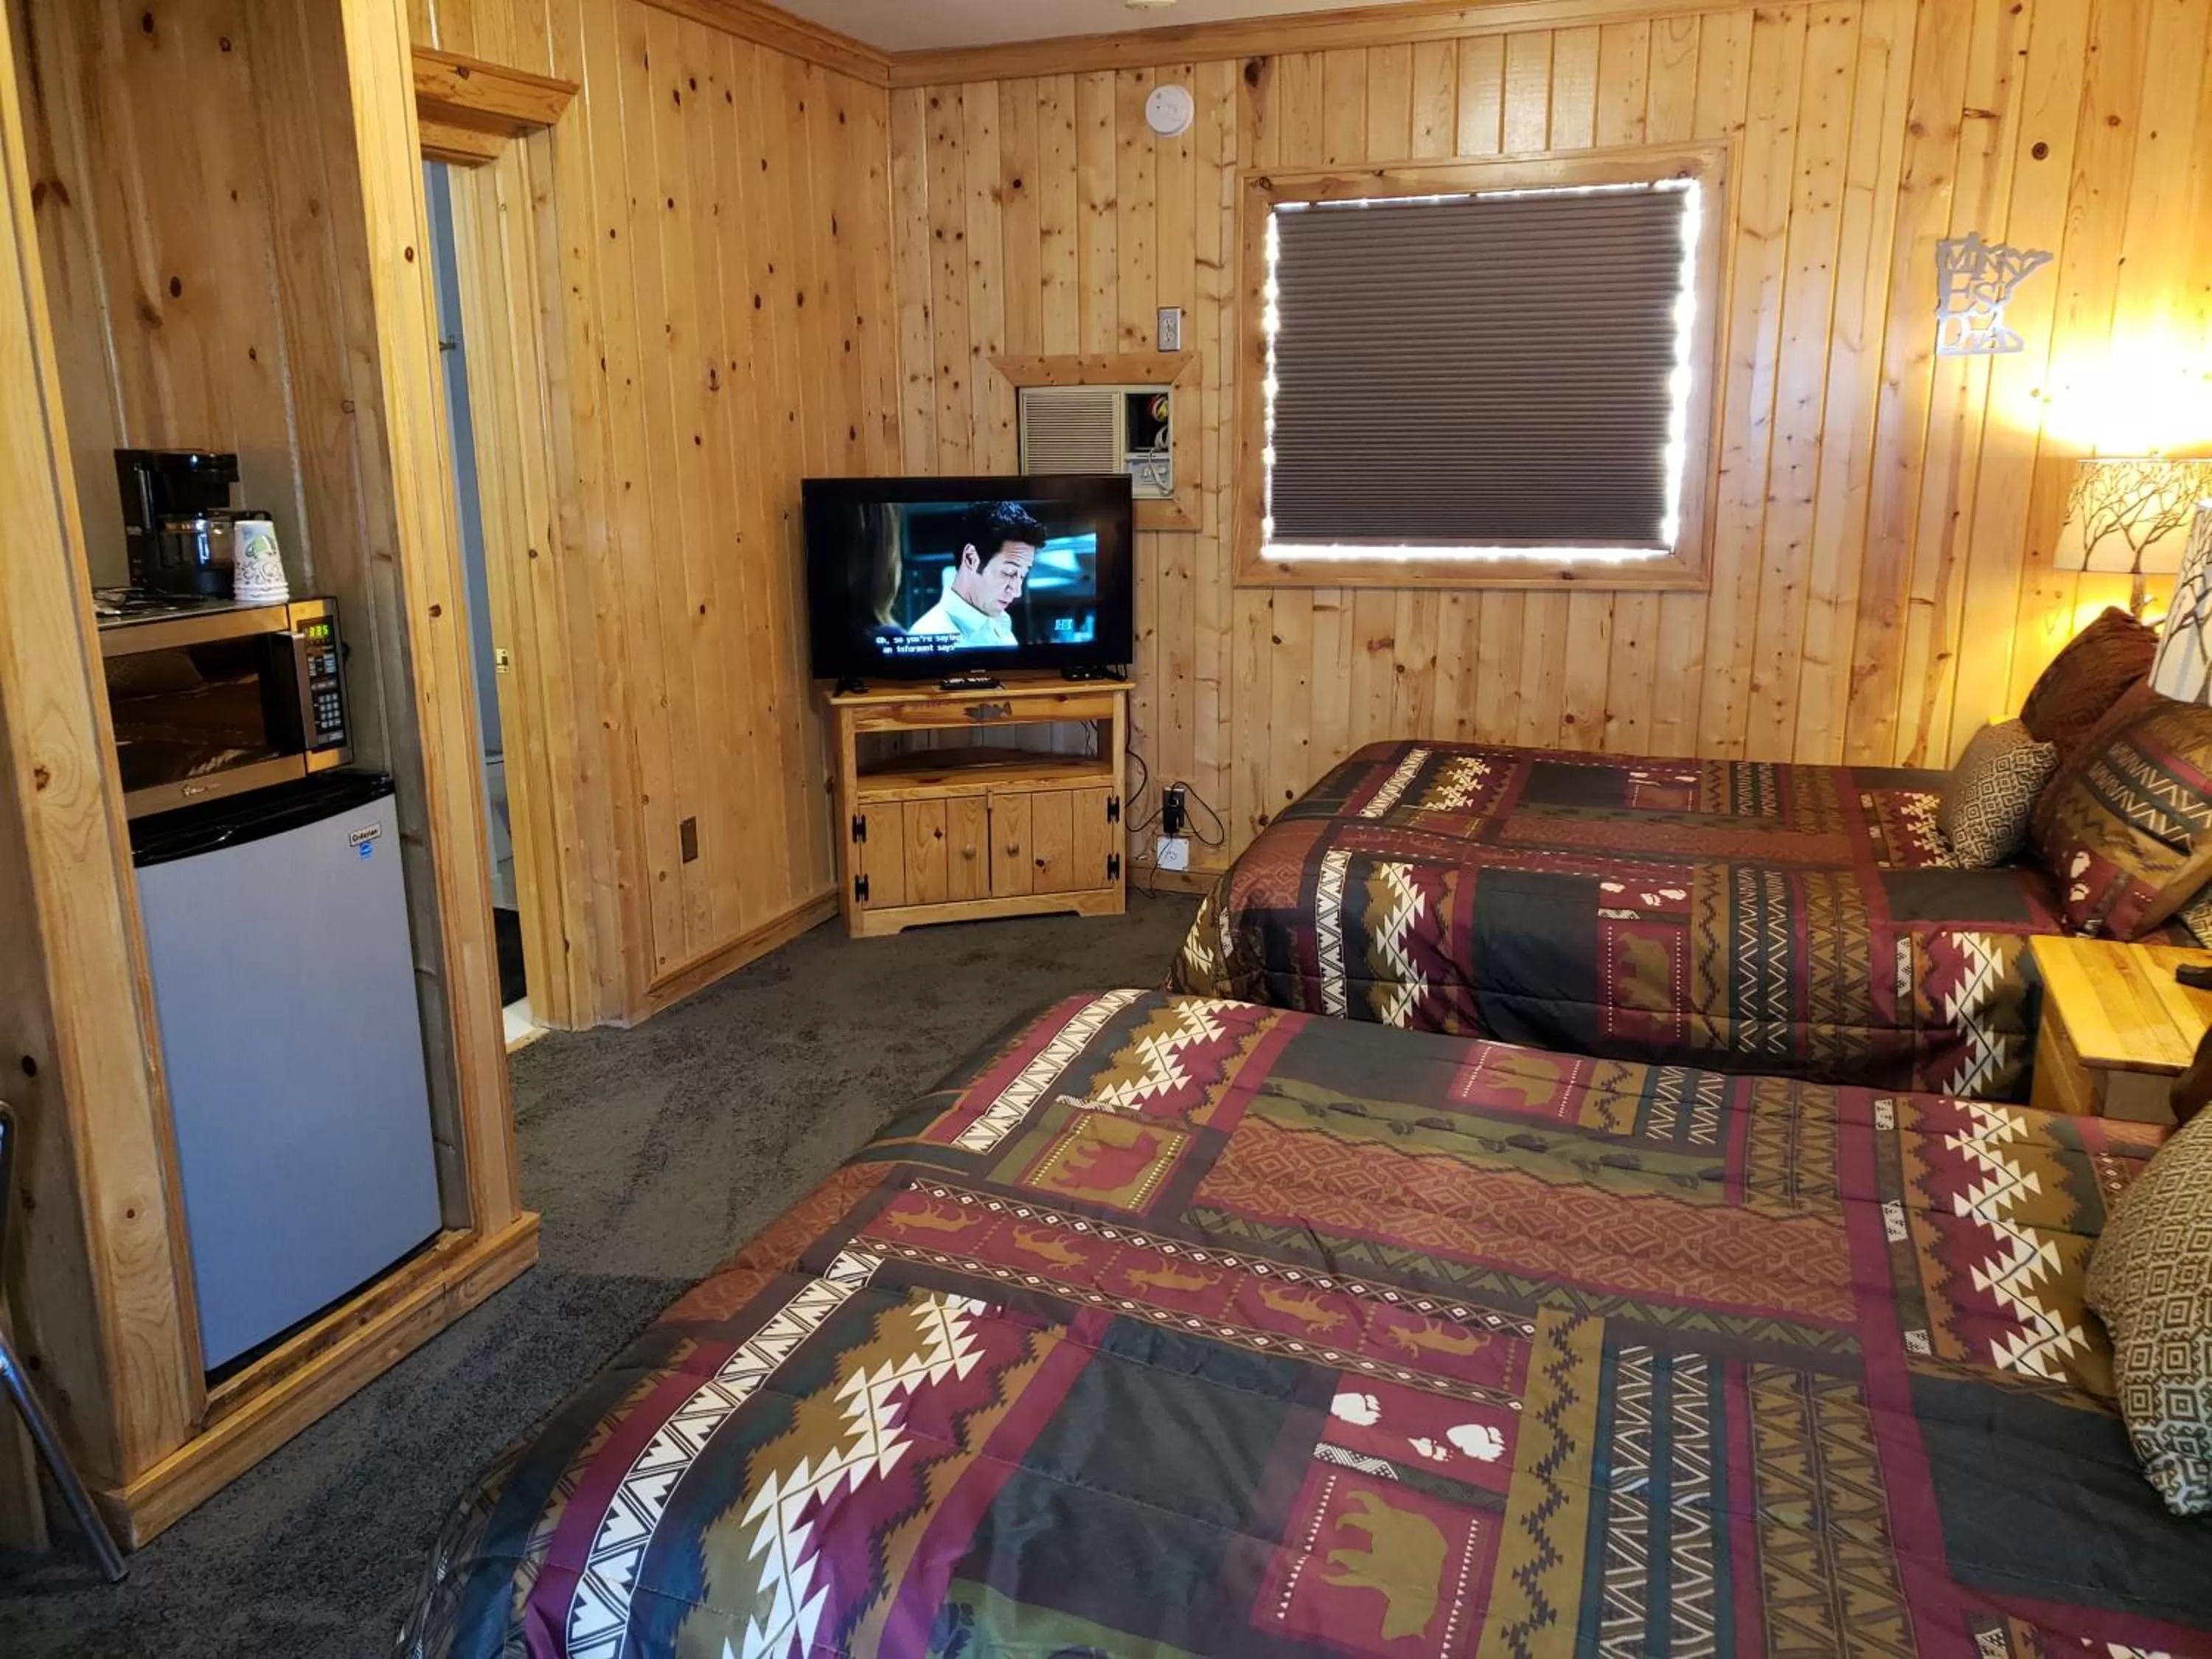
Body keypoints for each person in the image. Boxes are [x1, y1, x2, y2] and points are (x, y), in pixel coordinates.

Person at [907, 501, 1046, 649]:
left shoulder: (1002, 628)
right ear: (971, 558)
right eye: (1009, 572)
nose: (1017, 592)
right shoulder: (929, 637)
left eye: (1022, 575)